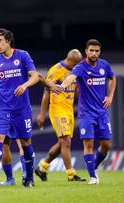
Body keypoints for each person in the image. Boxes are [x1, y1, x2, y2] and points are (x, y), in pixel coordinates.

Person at [0, 28, 57, 187]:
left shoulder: (22, 55)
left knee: (26, 142)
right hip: (2, 109)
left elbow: (35, 76)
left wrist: (25, 84)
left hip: (21, 109)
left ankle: (29, 179)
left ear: (8, 41)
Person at [58, 39, 116, 185]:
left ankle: (94, 166)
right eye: (91, 50)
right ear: (86, 51)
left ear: (99, 52)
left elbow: (113, 78)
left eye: (96, 51)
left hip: (102, 113)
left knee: (106, 144)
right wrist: (63, 86)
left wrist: (110, 96)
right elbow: (71, 77)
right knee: (88, 144)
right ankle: (93, 177)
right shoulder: (80, 67)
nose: (94, 53)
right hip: (86, 114)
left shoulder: (104, 65)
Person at [35, 49, 86, 182]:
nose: (76, 67)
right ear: (70, 61)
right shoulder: (55, 70)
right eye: (75, 65)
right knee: (66, 142)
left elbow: (75, 93)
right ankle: (71, 174)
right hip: (57, 109)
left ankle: (42, 167)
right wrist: (42, 113)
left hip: (69, 110)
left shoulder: (74, 71)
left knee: (62, 143)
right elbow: (46, 92)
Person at [0, 77, 26, 186]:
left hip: (17, 109)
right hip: (3, 110)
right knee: (4, 144)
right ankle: (10, 179)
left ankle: (26, 177)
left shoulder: (18, 62)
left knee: (22, 143)